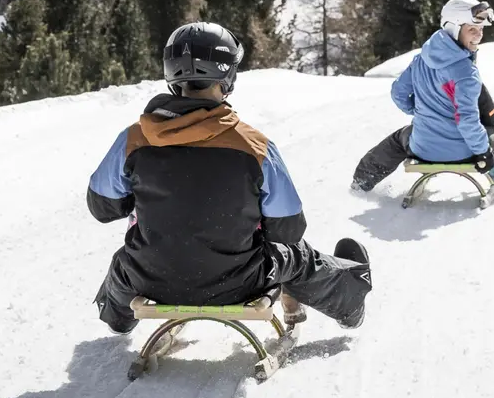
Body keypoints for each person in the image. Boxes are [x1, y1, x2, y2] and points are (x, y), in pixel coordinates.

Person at [88, 21, 372, 335]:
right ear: (227, 74)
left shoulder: (134, 140)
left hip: (150, 279)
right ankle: (351, 300)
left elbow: (103, 208)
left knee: (126, 260)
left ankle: (117, 318)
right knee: (296, 255)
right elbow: (288, 229)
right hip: (240, 283)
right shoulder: (254, 146)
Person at [351, 0, 494, 193]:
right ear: (453, 28)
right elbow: (467, 120)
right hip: (463, 151)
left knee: (399, 139)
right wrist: (482, 153)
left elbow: (398, 93)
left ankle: (362, 181)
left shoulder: (420, 60)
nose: (479, 36)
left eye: (480, 30)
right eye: (472, 29)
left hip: (422, 147)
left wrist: (421, 112)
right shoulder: (466, 72)